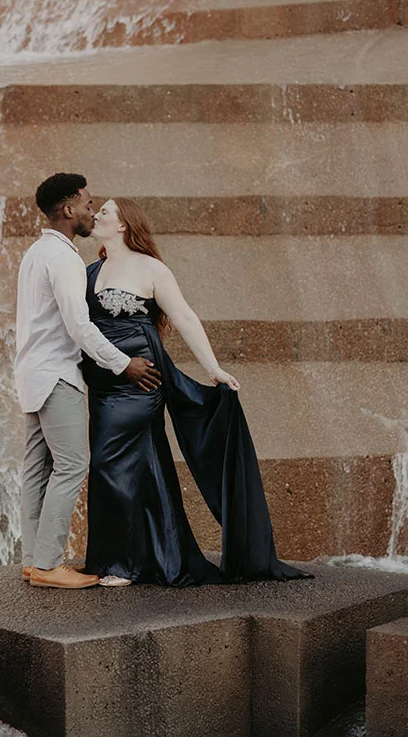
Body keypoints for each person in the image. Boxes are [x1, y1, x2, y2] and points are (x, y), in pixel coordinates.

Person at [82, 197, 313, 587]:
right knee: (141, 465)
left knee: (110, 462)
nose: (97, 215)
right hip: (104, 385)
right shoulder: (91, 269)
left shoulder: (151, 268)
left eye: (105, 211)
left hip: (141, 380)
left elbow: (185, 317)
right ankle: (151, 557)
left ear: (123, 224)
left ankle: (123, 564)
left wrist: (213, 368)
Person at [14, 175, 161, 590]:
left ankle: (32, 561)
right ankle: (48, 565)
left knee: (37, 469)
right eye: (86, 203)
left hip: (32, 373)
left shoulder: (36, 252)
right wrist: (122, 364)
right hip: (56, 375)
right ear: (68, 209)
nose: (91, 212)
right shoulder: (64, 259)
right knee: (73, 464)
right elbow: (79, 326)